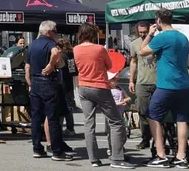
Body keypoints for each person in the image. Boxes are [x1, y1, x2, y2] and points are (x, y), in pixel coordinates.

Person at [139, 9, 189, 169]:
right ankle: (181, 156)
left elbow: (142, 51)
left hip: (166, 85)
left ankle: (161, 155)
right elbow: (188, 62)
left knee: (152, 115)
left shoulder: (162, 37)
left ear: (158, 21)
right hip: (183, 85)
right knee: (181, 119)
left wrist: (150, 34)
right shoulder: (183, 37)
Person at [73, 23, 133, 169]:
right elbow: (109, 65)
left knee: (89, 123)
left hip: (83, 87)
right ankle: (117, 158)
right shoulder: (99, 49)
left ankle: (93, 159)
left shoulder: (76, 49)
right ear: (93, 34)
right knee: (116, 122)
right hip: (99, 86)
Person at [25, 20, 73, 161]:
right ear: (49, 32)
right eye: (55, 31)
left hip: (35, 82)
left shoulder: (32, 45)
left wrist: (30, 82)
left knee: (36, 117)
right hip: (48, 82)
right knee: (53, 118)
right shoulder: (50, 43)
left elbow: (27, 67)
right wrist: (51, 65)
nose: (56, 34)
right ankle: (57, 151)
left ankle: (37, 148)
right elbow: (56, 52)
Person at [128, 21, 156, 149]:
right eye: (140, 32)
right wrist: (131, 80)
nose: (143, 35)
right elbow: (133, 62)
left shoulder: (157, 41)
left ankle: (163, 139)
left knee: (160, 112)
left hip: (157, 82)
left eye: (145, 32)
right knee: (142, 112)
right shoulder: (135, 44)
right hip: (142, 82)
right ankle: (145, 138)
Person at [56, 38, 77, 136]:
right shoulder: (71, 55)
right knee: (69, 107)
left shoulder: (60, 56)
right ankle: (70, 128)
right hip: (69, 83)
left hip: (62, 83)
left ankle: (60, 128)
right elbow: (73, 71)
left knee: (61, 107)